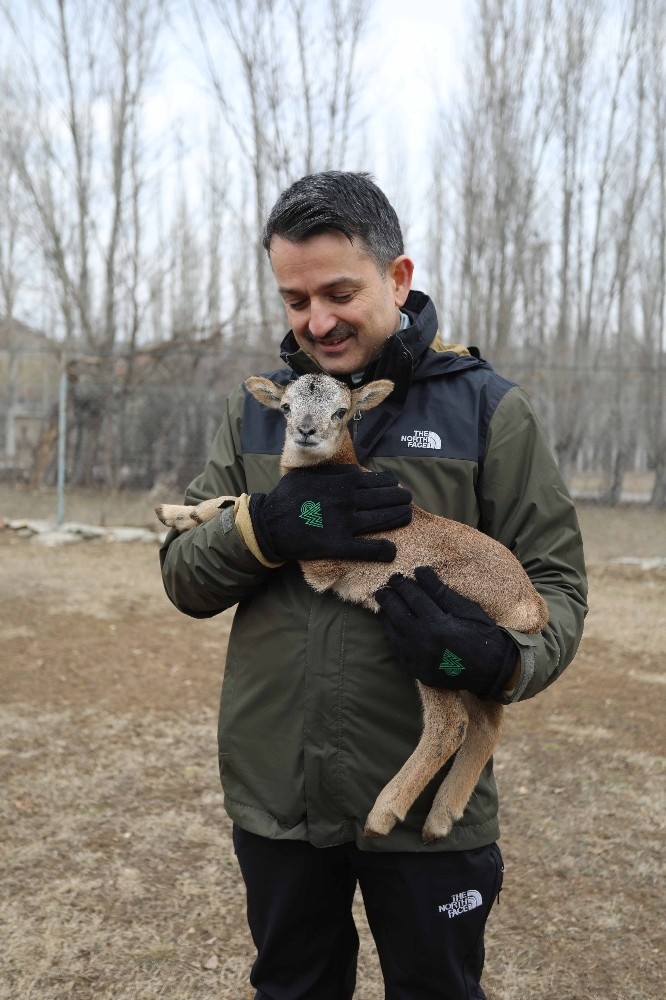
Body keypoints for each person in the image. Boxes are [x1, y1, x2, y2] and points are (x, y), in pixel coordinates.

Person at [160, 171, 588, 999]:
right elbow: (184, 578)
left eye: (338, 291)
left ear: (398, 277)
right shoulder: (257, 413)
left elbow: (558, 588)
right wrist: (262, 527)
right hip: (280, 795)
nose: (315, 321)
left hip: (432, 826)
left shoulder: (488, 411)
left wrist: (499, 659)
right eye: (293, 300)